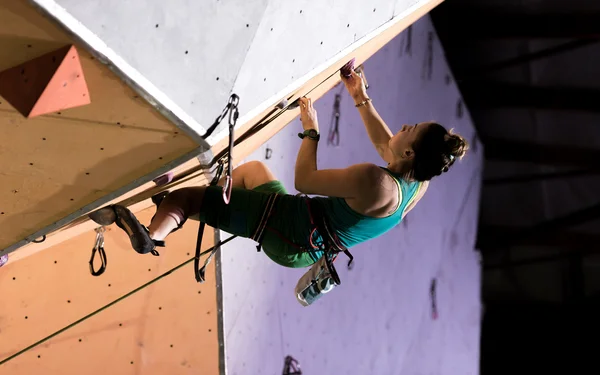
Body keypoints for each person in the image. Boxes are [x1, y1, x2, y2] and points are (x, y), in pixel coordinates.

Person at [100, 67, 468, 268]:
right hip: (306, 241)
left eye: (411, 130)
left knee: (186, 198)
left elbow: (303, 180)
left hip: (289, 228)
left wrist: (310, 131)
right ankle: (207, 204)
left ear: (410, 155)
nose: (402, 127)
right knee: (252, 173)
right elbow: (385, 144)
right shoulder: (417, 184)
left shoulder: (377, 182)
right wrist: (360, 96)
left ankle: (156, 233)